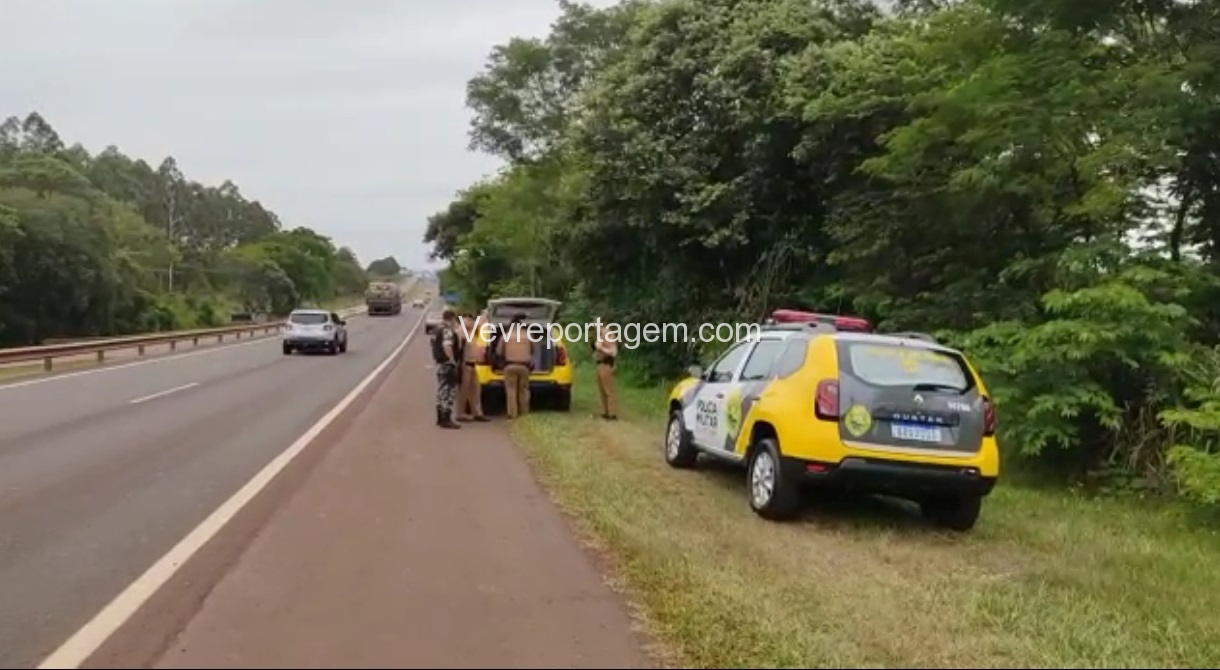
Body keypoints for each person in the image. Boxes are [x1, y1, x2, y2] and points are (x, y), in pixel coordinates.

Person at [495, 312, 535, 419]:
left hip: (510, 366)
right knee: (524, 389)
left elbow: (499, 352)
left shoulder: (506, 336)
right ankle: (524, 412)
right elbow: (533, 350)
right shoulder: (528, 335)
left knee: (511, 389)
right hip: (524, 366)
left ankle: (512, 413)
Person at [430, 308, 462, 429]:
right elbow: (447, 346)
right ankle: (446, 418)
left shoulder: (437, 329)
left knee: (441, 390)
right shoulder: (447, 330)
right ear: (452, 319)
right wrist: (452, 361)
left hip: (440, 364)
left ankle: (440, 417)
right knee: (448, 392)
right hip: (447, 364)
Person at [457, 311, 489, 422]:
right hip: (465, 364)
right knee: (463, 390)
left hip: (472, 364)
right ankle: (460, 413)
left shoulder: (472, 332)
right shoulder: (462, 331)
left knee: (476, 389)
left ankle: (477, 412)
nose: (471, 322)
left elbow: (481, 324)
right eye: (470, 320)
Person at [593, 318, 619, 420]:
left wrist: (601, 348)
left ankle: (612, 413)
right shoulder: (600, 335)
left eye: (596, 324)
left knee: (609, 390)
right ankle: (605, 412)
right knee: (602, 390)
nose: (595, 326)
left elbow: (613, 352)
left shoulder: (608, 334)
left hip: (606, 364)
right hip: (600, 364)